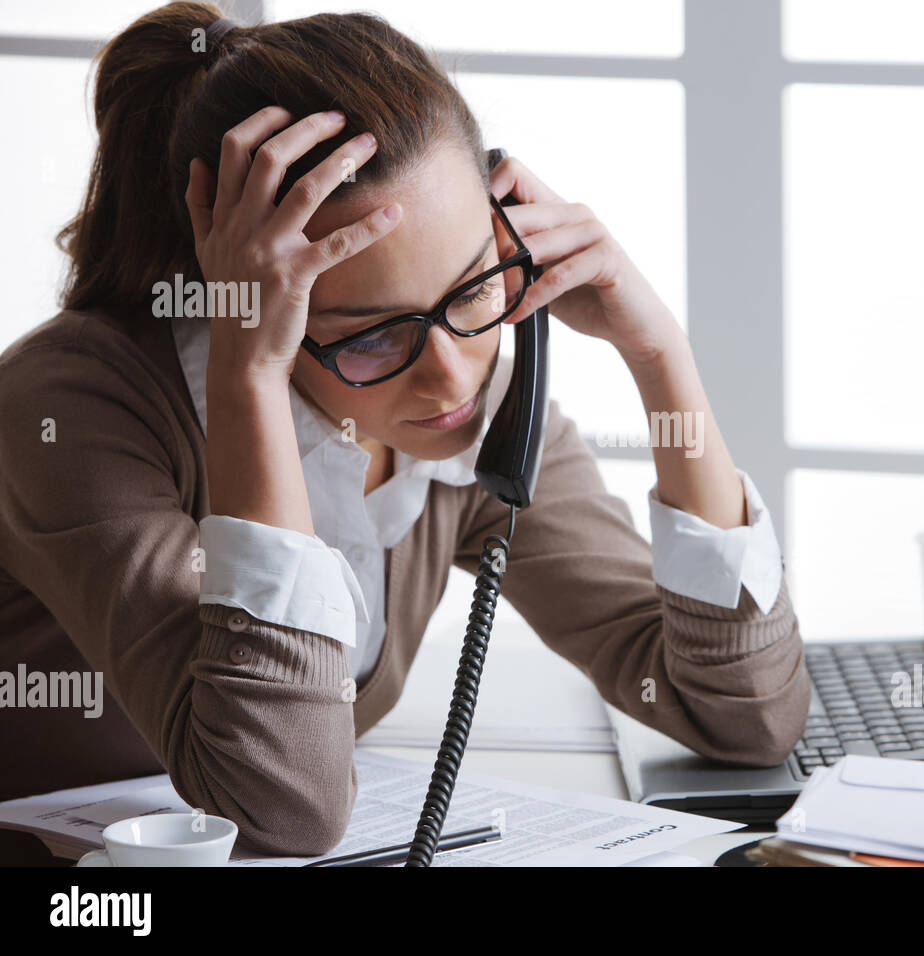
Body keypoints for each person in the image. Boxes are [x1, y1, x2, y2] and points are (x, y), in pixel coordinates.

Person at [0, 2, 809, 860]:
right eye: (371, 333)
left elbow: (746, 715)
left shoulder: (474, 406)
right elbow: (283, 805)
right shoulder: (71, 408)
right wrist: (251, 375)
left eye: (473, 288)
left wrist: (658, 352)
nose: (454, 375)